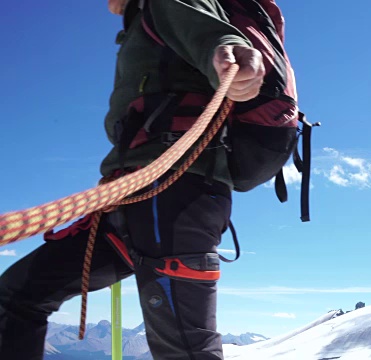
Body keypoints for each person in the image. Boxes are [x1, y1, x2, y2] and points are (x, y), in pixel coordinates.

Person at [0, 0, 269, 359]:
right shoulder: (141, 19)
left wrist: (231, 54)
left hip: (175, 194)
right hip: (130, 198)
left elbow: (212, 36)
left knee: (184, 351)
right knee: (16, 295)